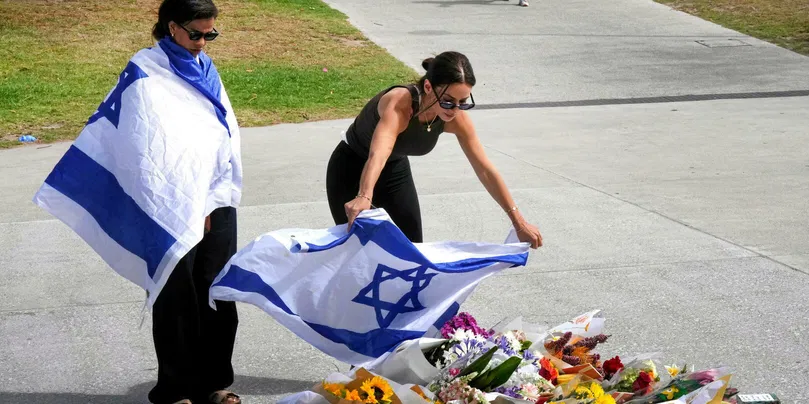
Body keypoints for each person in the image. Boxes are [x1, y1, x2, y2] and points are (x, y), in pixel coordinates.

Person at [326, 51, 543, 249]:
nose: (456, 109)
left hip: (395, 170)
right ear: (429, 87)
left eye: (463, 102)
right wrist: (364, 195)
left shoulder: (456, 118)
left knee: (411, 252)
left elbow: (485, 169)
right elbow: (379, 154)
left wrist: (519, 222)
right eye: (448, 102)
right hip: (351, 168)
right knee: (359, 251)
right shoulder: (401, 104)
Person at [147, 1, 241, 403]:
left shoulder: (206, 68)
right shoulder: (147, 71)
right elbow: (150, 142)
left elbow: (220, 134)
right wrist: (189, 200)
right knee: (177, 292)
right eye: (196, 34)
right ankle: (175, 390)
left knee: (218, 288)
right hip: (171, 197)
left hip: (215, 194)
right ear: (172, 27)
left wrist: (211, 198)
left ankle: (213, 383)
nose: (203, 42)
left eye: (210, 34)